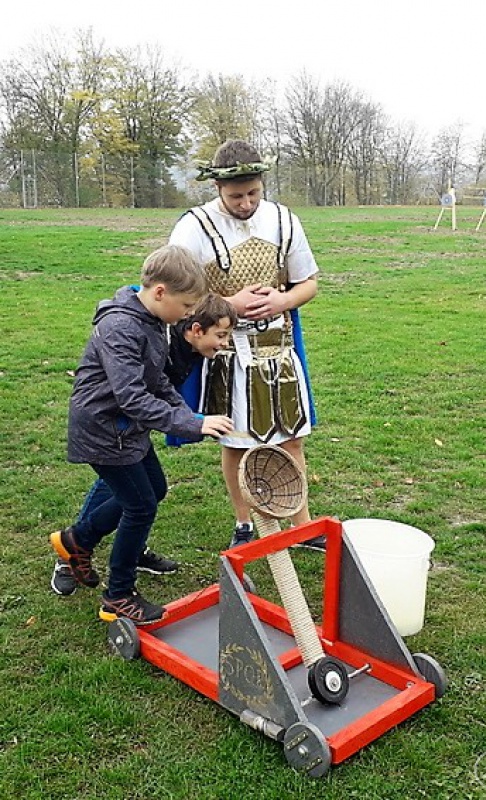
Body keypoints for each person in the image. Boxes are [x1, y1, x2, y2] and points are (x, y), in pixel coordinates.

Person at [50, 247, 234, 624]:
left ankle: (77, 541)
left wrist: (190, 416)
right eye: (185, 305)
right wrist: (190, 424)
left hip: (124, 429)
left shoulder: (151, 321)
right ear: (161, 292)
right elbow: (131, 395)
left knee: (155, 490)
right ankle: (118, 594)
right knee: (140, 506)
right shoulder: (121, 327)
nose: (187, 315)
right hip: (103, 431)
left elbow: (159, 381)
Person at [169, 139, 325, 550]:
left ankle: (300, 525)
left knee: (291, 438)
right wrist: (228, 306)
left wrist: (284, 299)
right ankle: (244, 524)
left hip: (280, 348)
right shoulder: (193, 227)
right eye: (236, 196)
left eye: (253, 193)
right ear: (217, 189)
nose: (245, 203)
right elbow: (172, 294)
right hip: (228, 353)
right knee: (236, 440)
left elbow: (309, 282)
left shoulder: (283, 220)